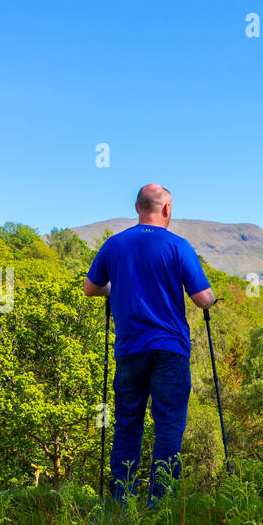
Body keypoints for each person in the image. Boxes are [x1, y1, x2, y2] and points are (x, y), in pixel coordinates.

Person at [83, 183, 216, 504]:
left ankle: (122, 499)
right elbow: (202, 299)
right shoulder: (179, 246)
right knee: (168, 425)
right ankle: (161, 500)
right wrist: (212, 299)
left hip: (129, 350)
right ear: (167, 209)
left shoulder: (114, 245)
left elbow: (91, 288)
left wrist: (115, 289)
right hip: (170, 350)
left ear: (137, 208)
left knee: (127, 424)